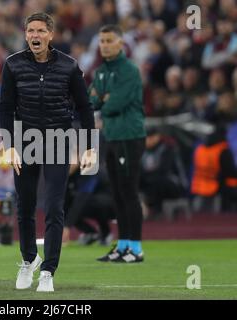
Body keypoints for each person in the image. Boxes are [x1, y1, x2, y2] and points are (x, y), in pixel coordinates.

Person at [0, 12, 95, 292]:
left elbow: (84, 107)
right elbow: (5, 107)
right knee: (25, 206)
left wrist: (89, 146)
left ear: (51, 35)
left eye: (40, 30)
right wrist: (9, 145)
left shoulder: (69, 66)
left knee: (54, 207)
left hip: (57, 140)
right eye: (30, 31)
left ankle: (49, 271)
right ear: (25, 34)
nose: (35, 36)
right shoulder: (12, 64)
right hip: (25, 141)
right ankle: (29, 260)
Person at [89, 25, 146, 263]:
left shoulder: (130, 70)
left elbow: (114, 104)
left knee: (129, 192)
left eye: (109, 40)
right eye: (102, 41)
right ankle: (123, 245)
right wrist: (103, 99)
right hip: (112, 137)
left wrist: (105, 100)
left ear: (121, 43)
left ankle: (136, 247)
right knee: (118, 194)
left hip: (129, 136)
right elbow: (92, 101)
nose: (104, 45)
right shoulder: (101, 72)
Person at [139, 127, 188, 218]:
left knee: (158, 181)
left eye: (150, 137)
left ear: (158, 136)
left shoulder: (168, 149)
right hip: (151, 182)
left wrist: (146, 175)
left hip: (174, 184)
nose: (148, 140)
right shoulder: (143, 151)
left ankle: (156, 210)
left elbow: (164, 170)